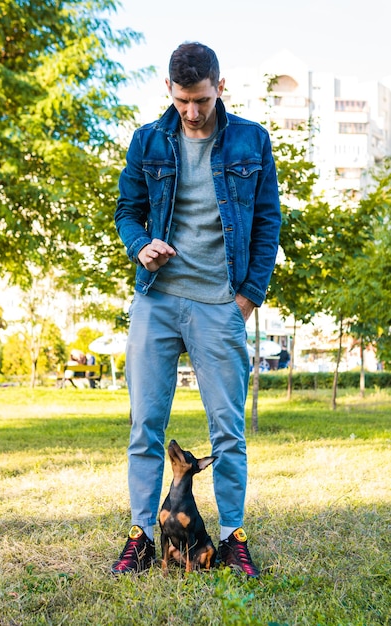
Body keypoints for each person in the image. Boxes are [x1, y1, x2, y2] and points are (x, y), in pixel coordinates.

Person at [112, 42, 281, 577]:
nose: (192, 111)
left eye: (202, 99)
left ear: (220, 88)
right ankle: (141, 535)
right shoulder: (147, 141)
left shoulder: (252, 141)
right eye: (183, 100)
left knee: (228, 429)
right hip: (157, 300)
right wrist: (141, 244)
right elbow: (127, 210)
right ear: (169, 90)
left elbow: (268, 222)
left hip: (219, 304)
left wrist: (247, 298)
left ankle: (232, 537)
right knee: (146, 425)